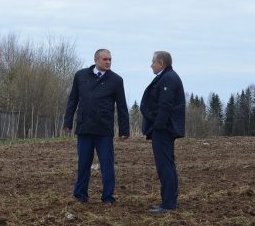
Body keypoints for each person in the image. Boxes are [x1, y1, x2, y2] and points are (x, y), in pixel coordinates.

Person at [63, 48, 130, 204]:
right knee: (83, 163)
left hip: (104, 129)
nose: (108, 62)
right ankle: (80, 195)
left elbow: (121, 106)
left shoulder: (116, 80)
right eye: (105, 59)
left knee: (107, 165)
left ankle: (108, 197)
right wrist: (68, 122)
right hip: (84, 127)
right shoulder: (81, 76)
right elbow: (73, 100)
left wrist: (124, 130)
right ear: (96, 60)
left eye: (110, 59)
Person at [140, 51, 185, 214]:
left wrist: (157, 126)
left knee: (165, 166)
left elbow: (164, 106)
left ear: (161, 63)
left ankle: (168, 204)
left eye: (153, 62)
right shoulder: (166, 77)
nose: (151, 65)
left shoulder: (168, 78)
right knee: (166, 165)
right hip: (163, 129)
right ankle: (169, 201)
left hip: (164, 130)